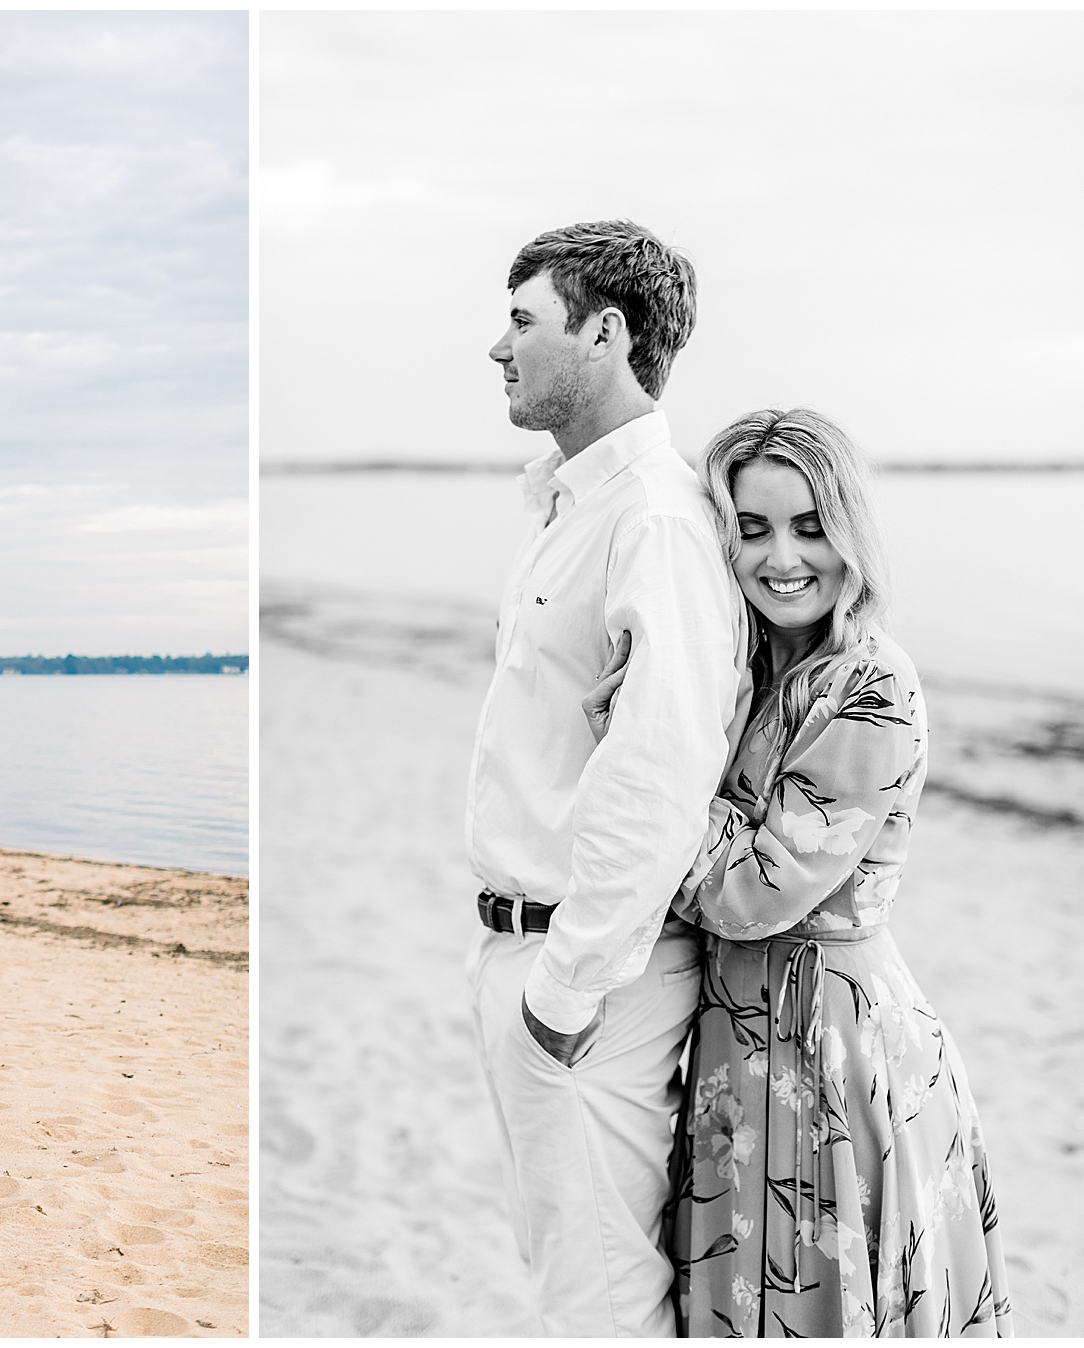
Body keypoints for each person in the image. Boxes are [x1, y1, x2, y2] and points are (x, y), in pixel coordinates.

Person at [585, 409, 1013, 1336]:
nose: (784, 557)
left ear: (850, 532)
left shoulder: (871, 684)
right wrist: (654, 739)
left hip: (830, 1048)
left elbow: (748, 895)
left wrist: (651, 764)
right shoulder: (741, 671)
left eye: (810, 525)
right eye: (752, 528)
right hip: (734, 1049)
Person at [465, 220, 746, 1335]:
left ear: (607, 333)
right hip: (525, 952)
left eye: (524, 321)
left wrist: (565, 991)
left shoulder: (656, 523)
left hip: (585, 981)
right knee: (567, 1264)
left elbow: (662, 771)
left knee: (599, 1294)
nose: (498, 347)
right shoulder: (568, 505)